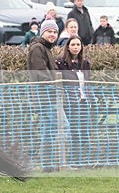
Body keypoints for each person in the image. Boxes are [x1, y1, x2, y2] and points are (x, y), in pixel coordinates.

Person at [28, 19, 59, 170]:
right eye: (49, 32)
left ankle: (48, 164)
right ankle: (55, 162)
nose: (52, 35)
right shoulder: (37, 48)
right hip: (45, 96)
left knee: (48, 130)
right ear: (43, 33)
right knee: (60, 126)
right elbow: (41, 73)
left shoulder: (46, 48)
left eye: (55, 32)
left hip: (48, 96)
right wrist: (55, 87)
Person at [56, 35, 92, 163]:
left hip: (84, 101)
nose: (76, 47)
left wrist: (90, 98)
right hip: (70, 102)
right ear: (68, 47)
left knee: (84, 131)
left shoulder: (85, 63)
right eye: (73, 45)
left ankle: (84, 159)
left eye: (78, 45)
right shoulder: (61, 63)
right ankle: (72, 160)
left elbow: (88, 82)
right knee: (73, 131)